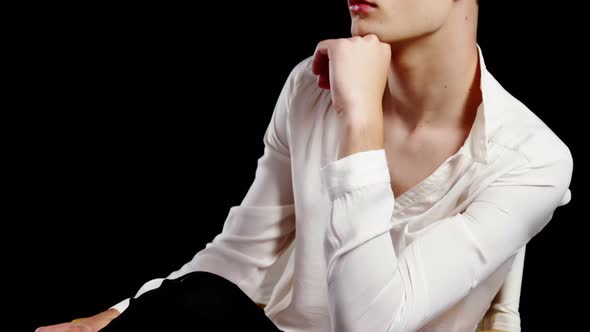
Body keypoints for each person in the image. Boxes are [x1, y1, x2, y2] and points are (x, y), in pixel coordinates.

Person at [37, 0, 573, 331]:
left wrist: (359, 120)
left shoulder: (532, 161)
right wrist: (112, 318)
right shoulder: (309, 89)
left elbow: (369, 327)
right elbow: (239, 262)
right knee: (198, 306)